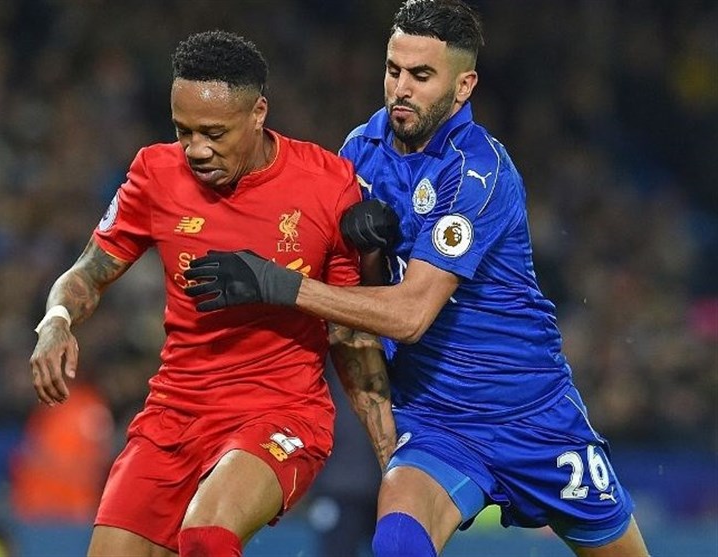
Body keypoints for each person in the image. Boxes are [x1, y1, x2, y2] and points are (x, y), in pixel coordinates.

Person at [182, 2, 651, 556]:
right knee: (398, 539)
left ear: (463, 86)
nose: (401, 88)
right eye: (393, 69)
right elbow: (356, 295)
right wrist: (369, 257)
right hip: (436, 422)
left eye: (422, 75)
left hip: (531, 415)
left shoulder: (478, 171)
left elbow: (409, 315)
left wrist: (279, 284)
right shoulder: (360, 152)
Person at [29, 30, 394, 557]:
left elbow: (349, 331)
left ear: (258, 112)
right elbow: (87, 272)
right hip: (175, 414)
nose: (197, 150)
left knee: (207, 534)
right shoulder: (155, 174)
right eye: (184, 131)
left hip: (282, 413)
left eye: (214, 133)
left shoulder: (327, 185)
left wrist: (388, 452)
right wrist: (57, 319)